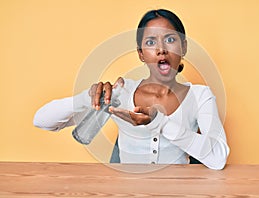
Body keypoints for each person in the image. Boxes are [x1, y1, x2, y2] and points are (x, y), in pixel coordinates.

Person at [33, 9, 230, 170]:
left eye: (170, 39)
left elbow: (218, 158)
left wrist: (159, 122)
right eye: (151, 42)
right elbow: (42, 121)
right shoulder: (121, 92)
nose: (161, 49)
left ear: (184, 47)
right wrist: (87, 98)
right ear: (141, 54)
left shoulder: (200, 96)